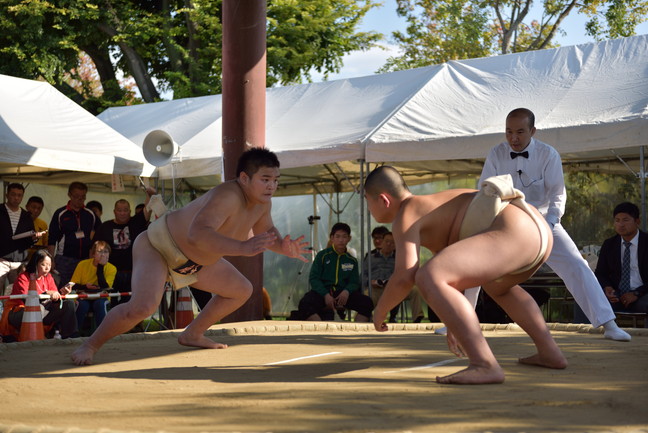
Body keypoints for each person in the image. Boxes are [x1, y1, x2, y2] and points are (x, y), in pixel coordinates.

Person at [71, 148, 310, 365]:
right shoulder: (228, 195)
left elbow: (267, 233)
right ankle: (90, 345)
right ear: (244, 178)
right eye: (265, 179)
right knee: (143, 307)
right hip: (159, 246)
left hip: (194, 263)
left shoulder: (262, 205)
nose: (271, 186)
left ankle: (193, 333)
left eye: (275, 180)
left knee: (241, 290)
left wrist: (283, 247)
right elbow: (198, 234)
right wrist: (242, 247)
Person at [364, 165, 567, 384]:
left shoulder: (406, 213)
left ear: (383, 200)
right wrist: (455, 324)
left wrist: (380, 310)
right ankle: (549, 352)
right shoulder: (436, 205)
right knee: (498, 287)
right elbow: (453, 279)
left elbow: (405, 276)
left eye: (367, 201)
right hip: (536, 229)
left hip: (514, 230)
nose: (368, 209)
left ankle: (484, 364)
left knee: (426, 276)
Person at [479, 107, 631, 342]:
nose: (513, 138)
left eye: (520, 132)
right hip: (505, 220)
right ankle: (456, 322)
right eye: (509, 132)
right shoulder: (496, 153)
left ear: (533, 131)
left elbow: (558, 196)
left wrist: (548, 227)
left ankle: (609, 324)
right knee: (474, 261)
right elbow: (485, 190)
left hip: (542, 220)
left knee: (576, 264)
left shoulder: (548, 154)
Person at [296, 222, 373, 322]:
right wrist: (325, 295)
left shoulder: (352, 260)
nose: (341, 240)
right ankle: (321, 328)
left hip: (343, 295)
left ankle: (354, 328)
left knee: (367, 303)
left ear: (349, 239)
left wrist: (346, 291)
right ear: (332, 238)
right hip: (323, 293)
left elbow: (354, 282)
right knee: (305, 303)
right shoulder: (322, 256)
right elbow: (314, 278)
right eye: (337, 236)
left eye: (344, 236)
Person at [93, 190, 155, 308]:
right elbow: (93, 249)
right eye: (119, 210)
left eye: (125, 210)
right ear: (114, 212)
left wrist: (149, 195)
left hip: (132, 272)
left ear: (130, 212)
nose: (122, 213)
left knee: (130, 302)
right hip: (110, 272)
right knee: (111, 303)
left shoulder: (135, 222)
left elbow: (147, 210)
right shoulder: (104, 227)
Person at [0, 249, 78, 340]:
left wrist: (61, 294)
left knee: (69, 304)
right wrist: (46, 294)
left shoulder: (49, 277)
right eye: (43, 264)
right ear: (35, 264)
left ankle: (71, 337)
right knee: (38, 308)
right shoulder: (23, 277)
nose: (47, 268)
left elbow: (54, 298)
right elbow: (27, 300)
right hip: (19, 313)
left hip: (43, 311)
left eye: (49, 265)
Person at [595, 202, 648, 314]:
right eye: (617, 220)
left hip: (643, 294)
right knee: (587, 299)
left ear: (637, 221)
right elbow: (600, 273)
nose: (621, 224)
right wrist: (607, 287)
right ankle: (583, 326)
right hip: (617, 295)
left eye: (625, 220)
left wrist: (636, 293)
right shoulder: (609, 244)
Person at [48, 182, 101, 288]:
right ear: (69, 195)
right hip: (65, 259)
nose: (80, 200)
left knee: (84, 288)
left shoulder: (90, 214)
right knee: (63, 288)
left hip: (85, 259)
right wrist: (50, 260)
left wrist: (94, 253)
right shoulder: (60, 213)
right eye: (76, 196)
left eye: (83, 197)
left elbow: (100, 233)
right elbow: (52, 239)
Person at [364, 232, 424, 322]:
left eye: (392, 242)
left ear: (396, 245)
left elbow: (406, 273)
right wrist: (371, 282)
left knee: (415, 290)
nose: (389, 244)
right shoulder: (370, 258)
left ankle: (417, 317)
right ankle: (368, 318)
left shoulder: (400, 258)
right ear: (382, 242)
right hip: (375, 289)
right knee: (366, 296)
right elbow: (362, 276)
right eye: (387, 241)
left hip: (394, 288)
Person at [66, 240, 117, 334]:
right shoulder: (82, 264)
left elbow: (105, 288)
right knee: (81, 305)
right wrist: (85, 286)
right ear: (93, 254)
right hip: (84, 295)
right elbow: (73, 285)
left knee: (100, 304)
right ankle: (73, 333)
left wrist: (100, 267)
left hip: (101, 297)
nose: (103, 254)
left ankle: (103, 334)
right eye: (99, 251)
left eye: (105, 252)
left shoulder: (112, 268)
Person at [1, 183, 41, 296]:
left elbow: (29, 241)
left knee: (19, 292)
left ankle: (13, 309)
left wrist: (34, 238)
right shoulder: (1, 210)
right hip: (1, 259)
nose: (16, 198)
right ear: (7, 195)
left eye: (19, 195)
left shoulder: (26, 215)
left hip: (19, 261)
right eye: (13, 194)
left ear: (22, 197)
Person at [25, 196, 49, 261]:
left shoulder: (43, 224)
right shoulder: (20, 221)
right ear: (27, 207)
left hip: (37, 258)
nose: (36, 210)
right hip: (21, 256)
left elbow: (46, 243)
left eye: (39, 208)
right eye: (33, 207)